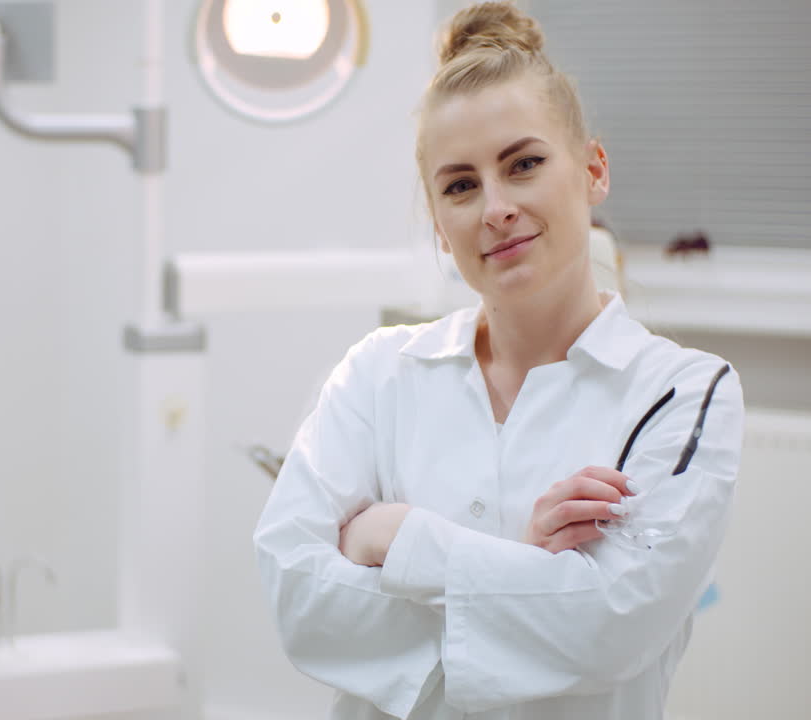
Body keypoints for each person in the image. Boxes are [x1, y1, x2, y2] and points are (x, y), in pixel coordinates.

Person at [252, 3, 744, 719]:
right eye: (460, 185)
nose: (495, 207)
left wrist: (388, 537)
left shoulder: (683, 392)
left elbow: (607, 628)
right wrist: (522, 565)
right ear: (439, 227)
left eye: (524, 164)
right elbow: (297, 595)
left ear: (593, 169)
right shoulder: (375, 373)